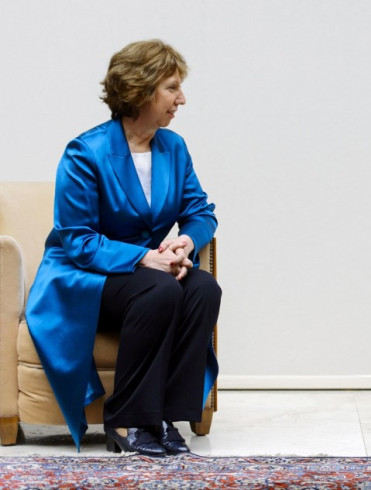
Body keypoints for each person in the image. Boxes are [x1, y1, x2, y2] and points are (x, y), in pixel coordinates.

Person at [25, 40, 221, 456]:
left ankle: (165, 415)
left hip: (144, 273)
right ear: (142, 89)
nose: (181, 99)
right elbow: (77, 241)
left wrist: (184, 243)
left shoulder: (174, 147)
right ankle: (127, 418)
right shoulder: (85, 151)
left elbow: (201, 211)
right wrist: (147, 258)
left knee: (204, 288)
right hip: (84, 274)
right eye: (172, 88)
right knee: (161, 289)